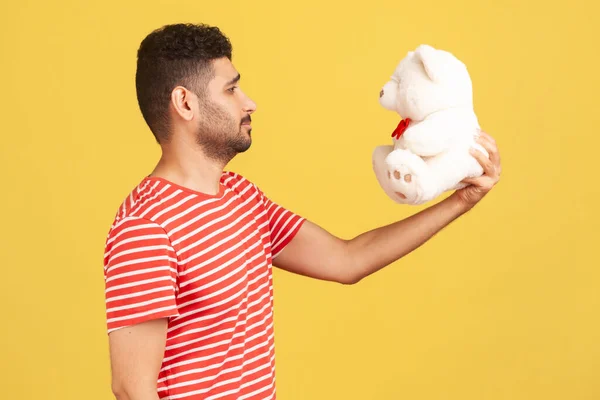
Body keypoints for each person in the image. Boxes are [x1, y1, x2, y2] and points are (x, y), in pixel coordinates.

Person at [103, 23, 501, 400]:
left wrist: (461, 200)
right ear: (185, 103)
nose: (249, 102)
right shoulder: (145, 228)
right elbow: (132, 389)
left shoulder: (243, 198)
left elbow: (347, 260)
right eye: (231, 90)